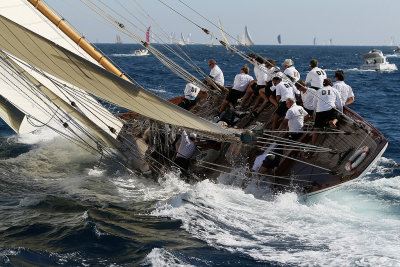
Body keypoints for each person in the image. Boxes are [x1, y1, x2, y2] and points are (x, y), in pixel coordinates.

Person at [312, 78, 343, 145]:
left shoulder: (318, 91)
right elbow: (339, 103)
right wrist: (341, 112)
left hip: (320, 112)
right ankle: (333, 122)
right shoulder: (335, 90)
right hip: (330, 110)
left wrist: (315, 111)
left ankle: (313, 144)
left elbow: (314, 103)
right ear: (330, 84)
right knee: (336, 116)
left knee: (316, 128)